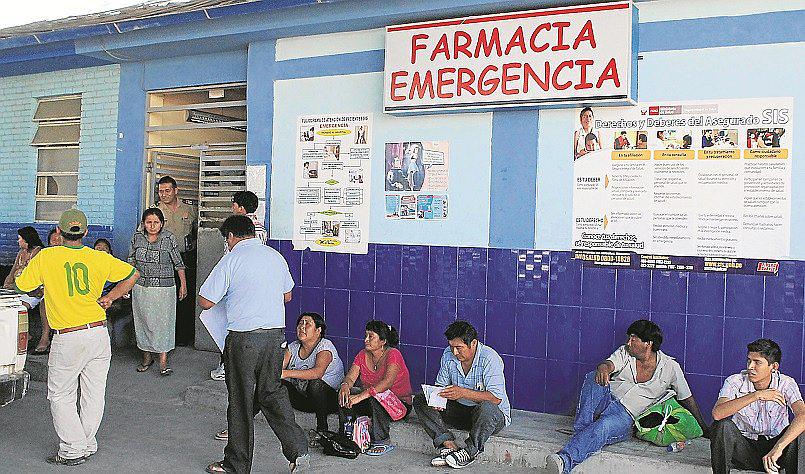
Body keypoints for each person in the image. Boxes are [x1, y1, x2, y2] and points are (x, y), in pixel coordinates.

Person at [15, 208, 138, 465]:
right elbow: (132, 274)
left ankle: (72, 448)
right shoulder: (98, 257)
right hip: (97, 333)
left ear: (58, 232)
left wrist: (41, 280)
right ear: (86, 232)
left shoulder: (47, 257)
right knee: (94, 393)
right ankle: (87, 442)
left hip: (68, 337)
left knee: (60, 394)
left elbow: (22, 286)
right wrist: (111, 296)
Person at [199, 215, 308, 474]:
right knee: (272, 392)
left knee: (240, 401)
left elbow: (205, 301)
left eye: (228, 239)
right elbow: (288, 295)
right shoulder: (274, 257)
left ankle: (237, 465)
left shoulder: (231, 259)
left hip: (244, 339)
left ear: (231, 237)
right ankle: (298, 451)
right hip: (274, 338)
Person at [546, 319, 709, 474]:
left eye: (633, 339)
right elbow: (609, 364)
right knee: (593, 377)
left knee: (604, 426)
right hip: (605, 400)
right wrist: (603, 367)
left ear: (648, 343)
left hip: (625, 417)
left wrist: (703, 427)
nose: (628, 343)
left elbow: (686, 398)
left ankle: (563, 460)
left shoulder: (671, 368)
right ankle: (581, 432)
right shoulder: (625, 353)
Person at [413, 321, 510, 469]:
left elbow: (496, 398)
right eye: (451, 347)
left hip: (488, 418)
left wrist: (463, 392)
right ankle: (448, 444)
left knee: (487, 408)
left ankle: (469, 451)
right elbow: (441, 386)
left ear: (474, 343)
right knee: (421, 399)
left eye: (459, 348)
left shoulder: (490, 358)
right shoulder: (448, 354)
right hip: (460, 412)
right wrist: (437, 398)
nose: (454, 352)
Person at [710, 339, 804, 473]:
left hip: (777, 452)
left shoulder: (786, 383)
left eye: (757, 362)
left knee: (801, 430)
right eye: (749, 360)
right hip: (744, 451)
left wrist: (779, 448)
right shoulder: (734, 381)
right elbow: (717, 414)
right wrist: (756, 395)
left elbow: (803, 416)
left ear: (774, 366)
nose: (750, 367)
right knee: (722, 426)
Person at [210, 190, 267, 381]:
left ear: (241, 208)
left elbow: (232, 260)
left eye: (233, 204)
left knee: (229, 328)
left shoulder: (242, 231)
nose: (232, 207)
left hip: (236, 285)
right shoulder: (261, 228)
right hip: (253, 286)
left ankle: (227, 366)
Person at [338, 320, 412, 456]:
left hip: (399, 405)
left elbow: (387, 383)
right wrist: (344, 386)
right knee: (345, 394)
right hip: (372, 400)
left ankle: (382, 440)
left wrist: (360, 396)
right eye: (365, 335)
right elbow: (350, 377)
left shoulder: (393, 354)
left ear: (383, 341)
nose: (366, 340)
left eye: (371, 336)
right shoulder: (362, 354)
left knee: (377, 395)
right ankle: (346, 434)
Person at [128, 208, 186, 376]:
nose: (152, 226)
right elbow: (130, 262)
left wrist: (183, 285)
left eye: (156, 222)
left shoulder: (169, 238)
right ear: (143, 223)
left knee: (163, 324)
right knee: (143, 322)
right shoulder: (136, 238)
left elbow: (179, 264)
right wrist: (127, 285)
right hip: (141, 287)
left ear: (162, 223)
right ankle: (146, 358)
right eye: (149, 222)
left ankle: (163, 361)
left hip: (164, 289)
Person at [282, 312, 344, 432]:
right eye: (300, 323)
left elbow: (317, 373)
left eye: (307, 324)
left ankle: (322, 429)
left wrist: (286, 373)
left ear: (318, 330)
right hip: (304, 400)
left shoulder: (325, 346)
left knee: (316, 383)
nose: (302, 327)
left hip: (328, 402)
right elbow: (278, 369)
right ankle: (247, 418)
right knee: (273, 382)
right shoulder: (293, 347)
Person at [156, 175, 197, 346]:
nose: (163, 195)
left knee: (185, 298)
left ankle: (183, 336)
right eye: (160, 191)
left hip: (185, 259)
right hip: (164, 261)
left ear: (175, 190)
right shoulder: (155, 211)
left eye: (167, 191)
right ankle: (167, 337)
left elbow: (196, 231)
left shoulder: (188, 209)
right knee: (166, 299)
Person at [3, 226, 49, 354]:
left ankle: (36, 337)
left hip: (36, 290)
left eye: (20, 239)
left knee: (19, 307)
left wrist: (18, 287)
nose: (18, 241)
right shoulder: (20, 253)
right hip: (21, 289)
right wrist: (7, 284)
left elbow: (35, 280)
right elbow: (12, 272)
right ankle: (25, 336)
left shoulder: (38, 252)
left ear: (27, 240)